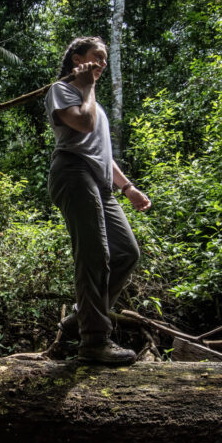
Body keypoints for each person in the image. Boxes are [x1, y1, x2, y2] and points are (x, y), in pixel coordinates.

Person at [46, 36, 151, 365]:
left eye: (105, 60)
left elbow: (102, 152)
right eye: (97, 57)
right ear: (78, 58)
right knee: (94, 254)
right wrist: (85, 84)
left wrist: (128, 187)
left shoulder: (92, 101)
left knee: (126, 253)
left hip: (102, 182)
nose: (102, 64)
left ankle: (78, 321)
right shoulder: (62, 90)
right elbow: (83, 123)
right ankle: (93, 341)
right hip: (73, 173)